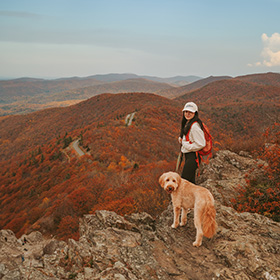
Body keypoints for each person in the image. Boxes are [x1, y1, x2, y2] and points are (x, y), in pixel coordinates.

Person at [178, 102, 206, 184]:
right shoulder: (189, 123)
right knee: (190, 183)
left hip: (193, 157)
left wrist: (184, 143)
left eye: (190, 112)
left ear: (195, 113)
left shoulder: (194, 126)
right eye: (186, 112)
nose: (187, 114)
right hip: (190, 157)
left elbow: (201, 144)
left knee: (183, 183)